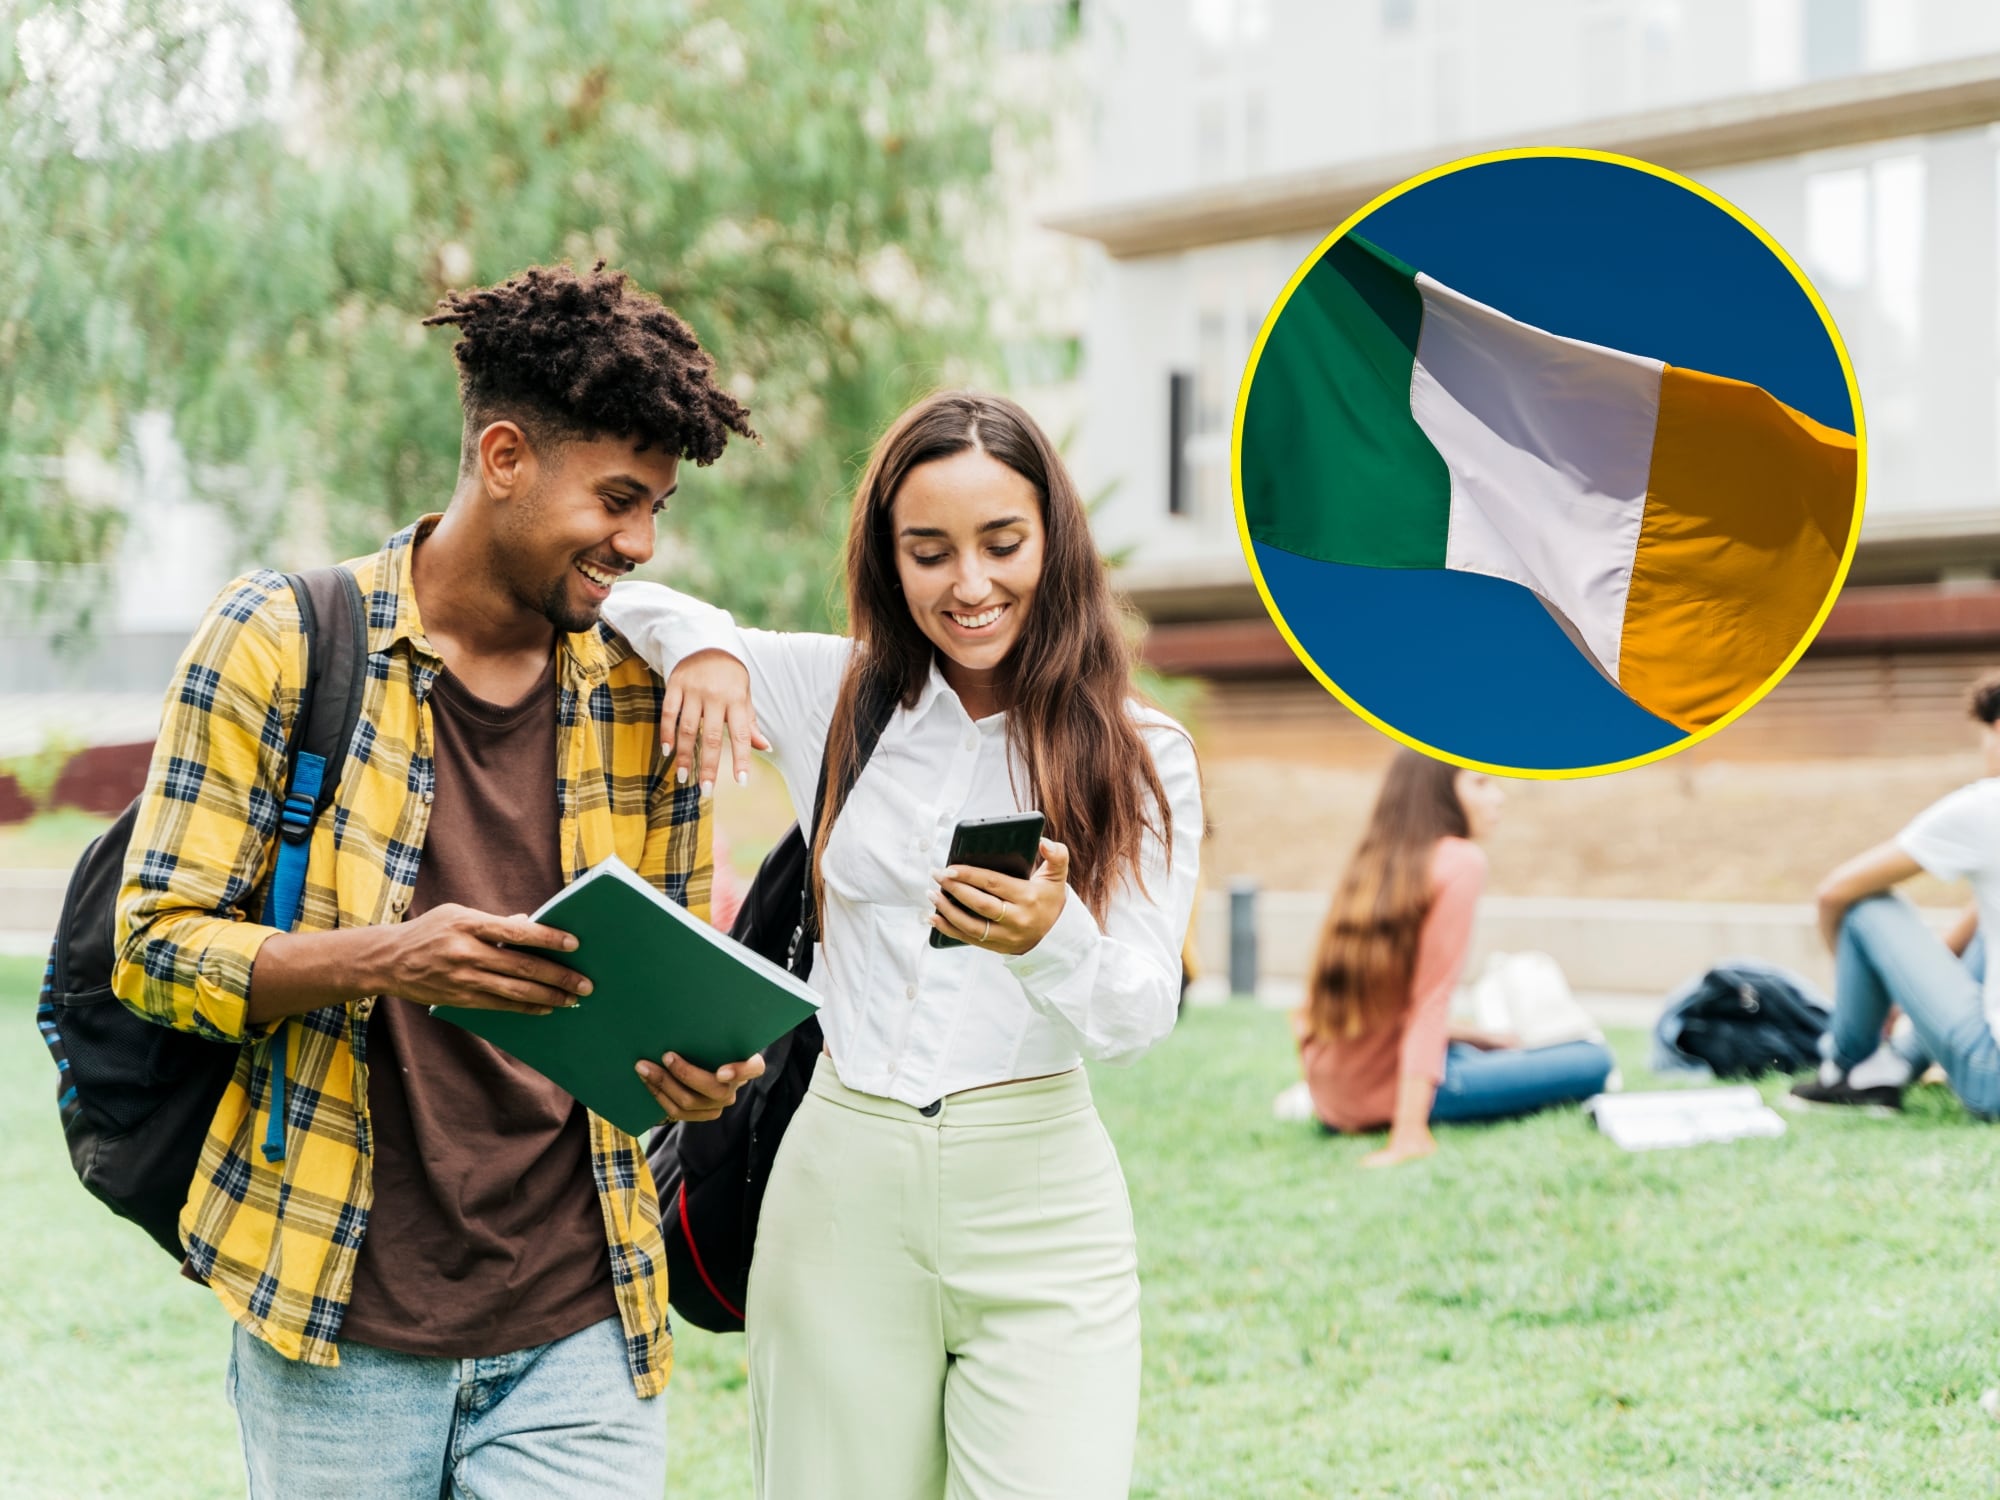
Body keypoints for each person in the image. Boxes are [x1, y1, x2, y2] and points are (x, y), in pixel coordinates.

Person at [112, 263, 769, 1499]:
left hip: (583, 1322)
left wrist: (698, 1074)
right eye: (619, 499)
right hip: (337, 1319)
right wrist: (388, 958)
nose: (638, 543)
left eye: (658, 511)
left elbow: (672, 979)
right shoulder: (280, 640)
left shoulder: (647, 690)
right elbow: (151, 949)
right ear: (505, 457)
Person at [604, 390, 1203, 1500]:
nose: (968, 585)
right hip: (841, 1178)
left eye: (1000, 544)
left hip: (1040, 1190)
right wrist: (707, 653)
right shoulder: (834, 693)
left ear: (1053, 544)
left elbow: (1134, 1016)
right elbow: (622, 602)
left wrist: (1047, 938)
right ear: (889, 560)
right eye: (927, 552)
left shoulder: (1140, 751)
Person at [1294, 749, 1613, 1165]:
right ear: (1438, 793)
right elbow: (1430, 999)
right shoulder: (1460, 861)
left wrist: (1474, 1036)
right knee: (1592, 1058)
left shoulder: (1376, 861)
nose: (1499, 797)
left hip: (1333, 1094)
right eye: (1481, 783)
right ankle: (1408, 1114)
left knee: (1497, 1047)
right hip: (1385, 1092)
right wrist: (1408, 1135)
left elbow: (1383, 1007)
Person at [1789, 672, 2000, 1116]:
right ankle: (1894, 1066)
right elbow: (1976, 925)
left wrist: (1868, 995)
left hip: (1992, 1077)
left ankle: (1849, 1064)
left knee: (1865, 905)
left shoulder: (1987, 805)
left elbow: (1833, 893)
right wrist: (1902, 988)